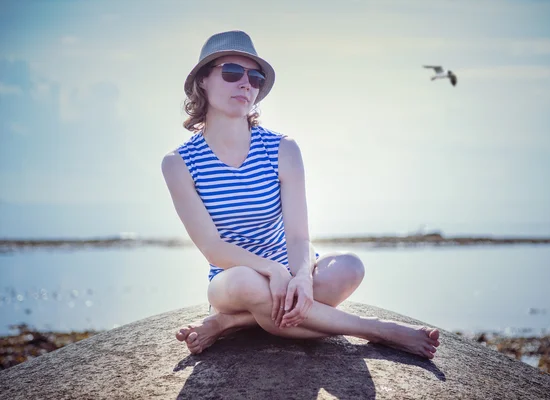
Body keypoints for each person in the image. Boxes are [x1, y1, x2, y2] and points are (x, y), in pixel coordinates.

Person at [161, 30, 440, 359]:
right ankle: (378, 329)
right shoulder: (179, 163)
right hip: (232, 280)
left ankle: (228, 324)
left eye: (255, 76)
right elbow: (213, 248)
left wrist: (302, 280)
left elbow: (297, 235)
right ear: (203, 81)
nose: (246, 83)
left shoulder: (282, 148)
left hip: (292, 272)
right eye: (232, 72)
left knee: (350, 266)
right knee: (249, 285)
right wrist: (273, 271)